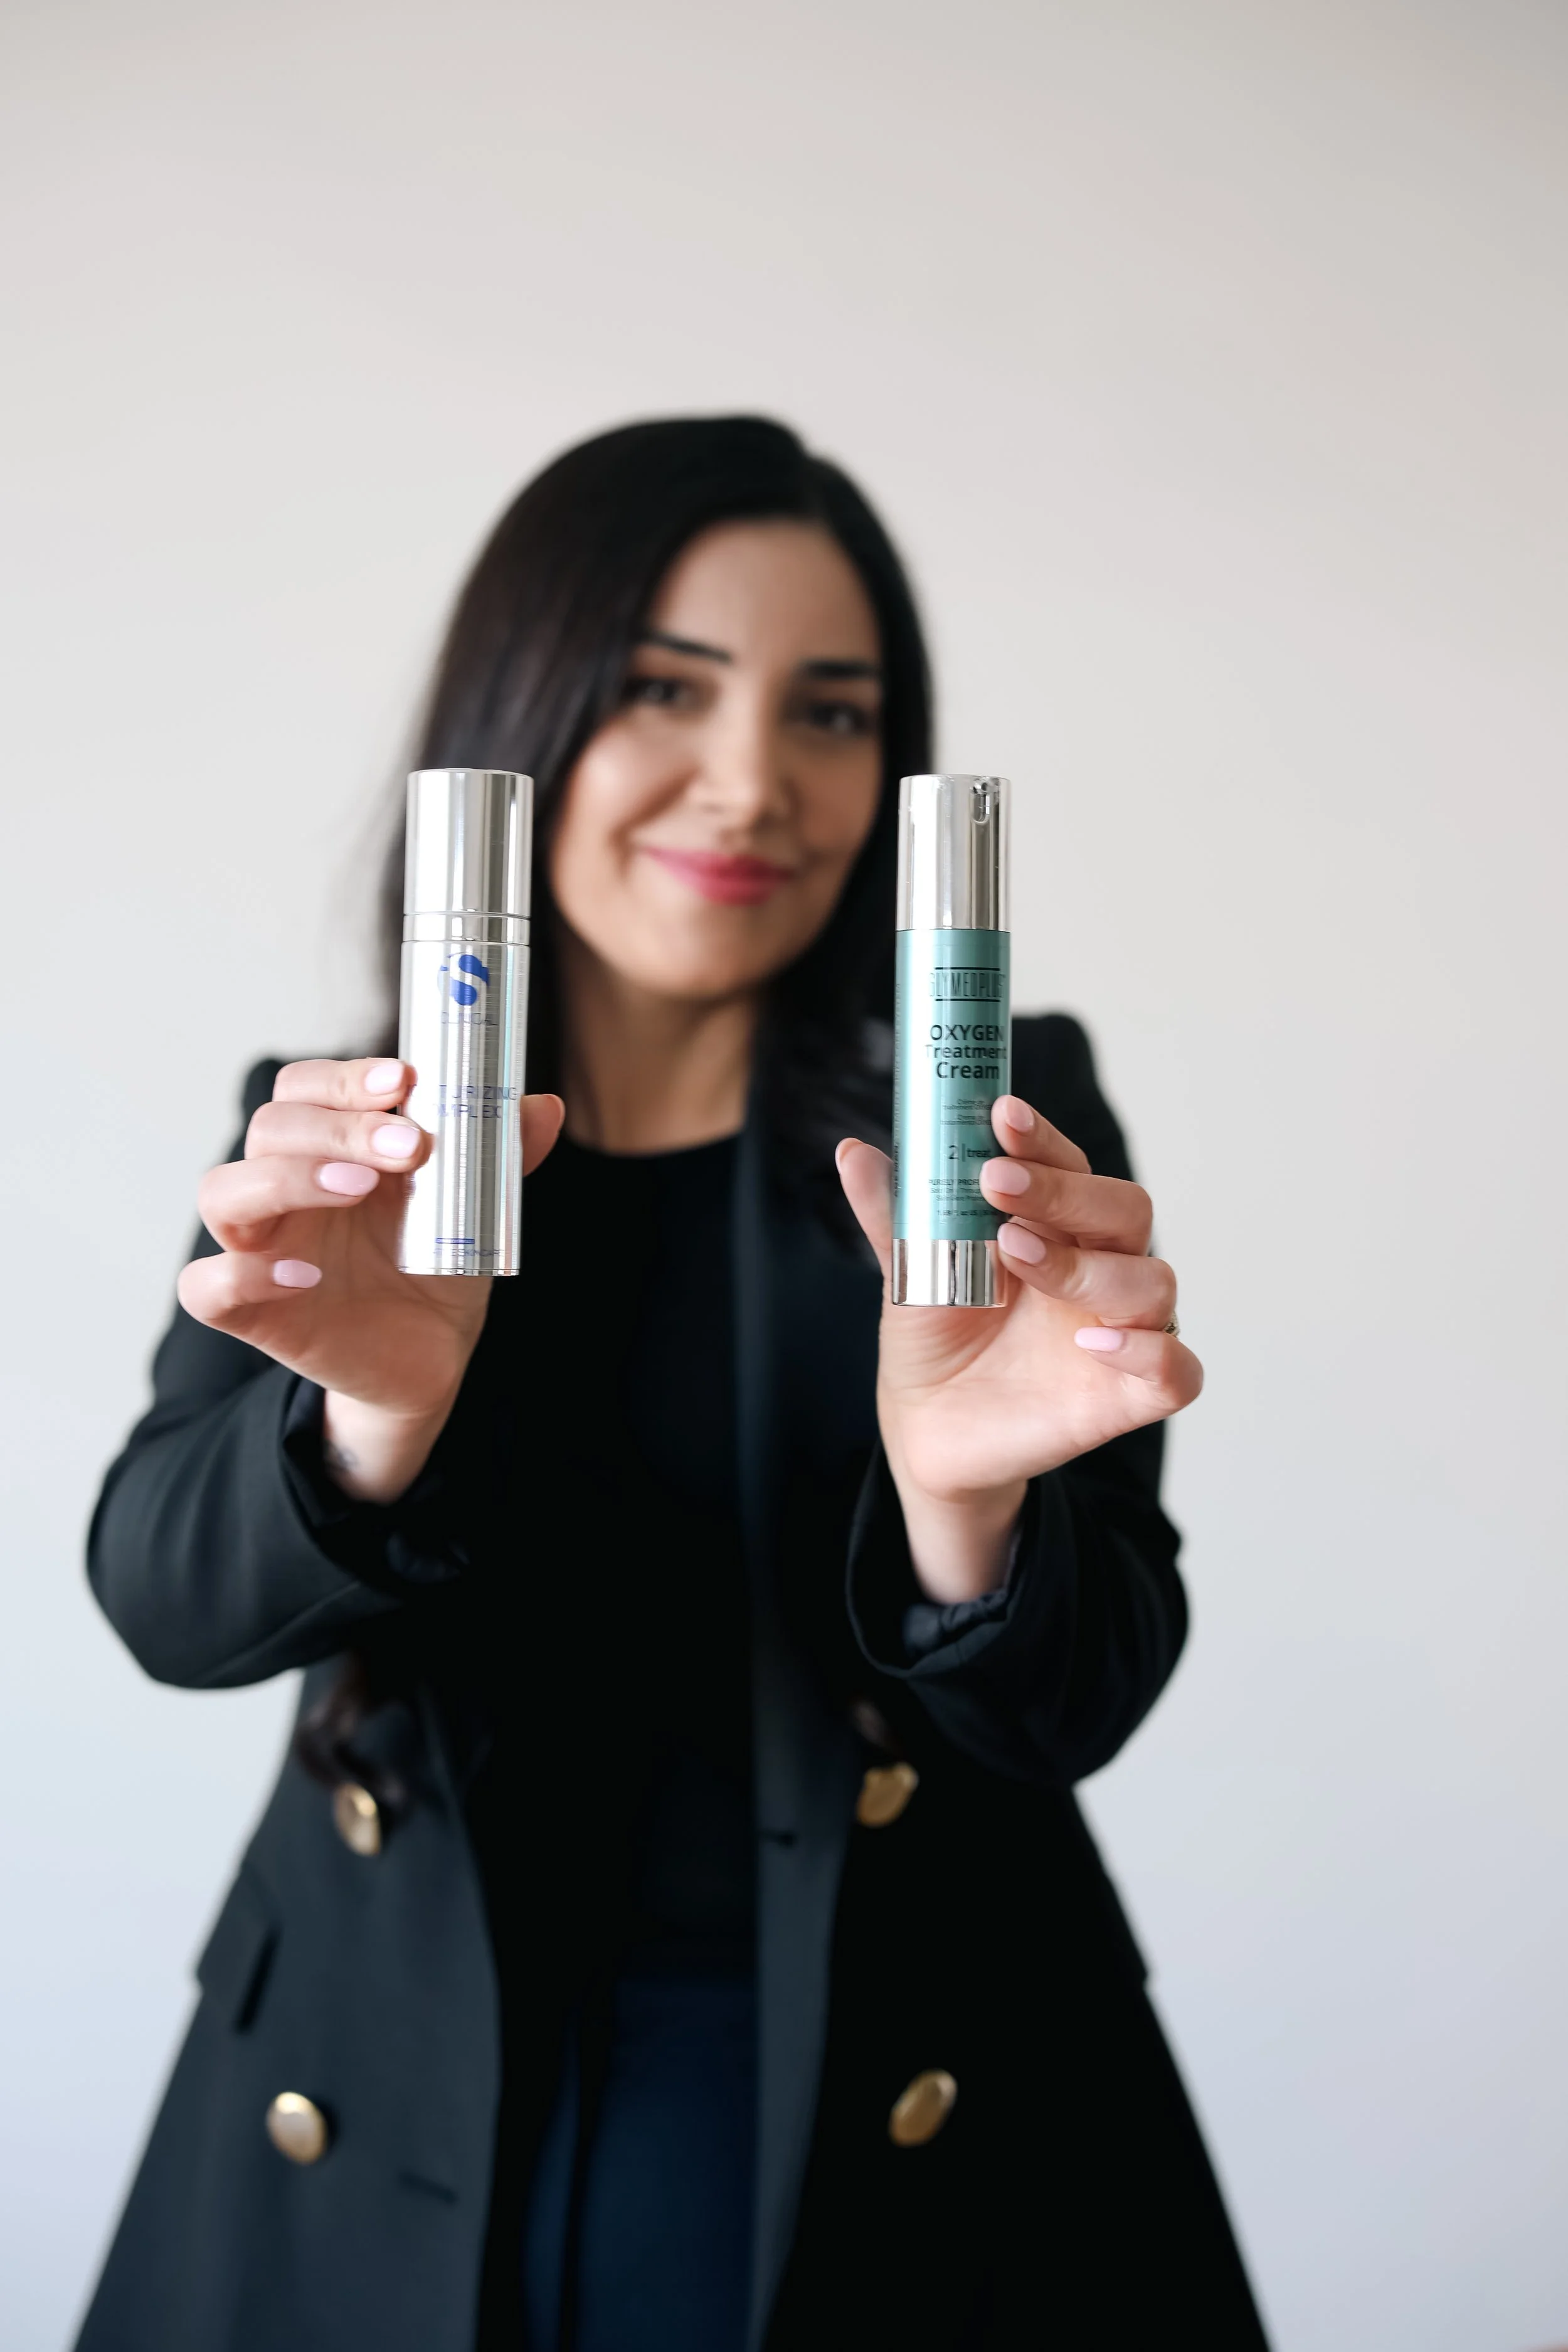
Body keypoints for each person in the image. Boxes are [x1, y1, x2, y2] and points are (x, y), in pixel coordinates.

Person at [77, 415, 1268, 2351]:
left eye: (828, 713)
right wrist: (362, 1430)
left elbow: (1084, 1696)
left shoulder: (976, 1119)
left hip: (893, 2115)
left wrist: (965, 1514)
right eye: (664, 690)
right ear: (524, 709)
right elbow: (161, 1599)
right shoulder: (358, 1143)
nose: (751, 784)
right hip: (399, 2099)